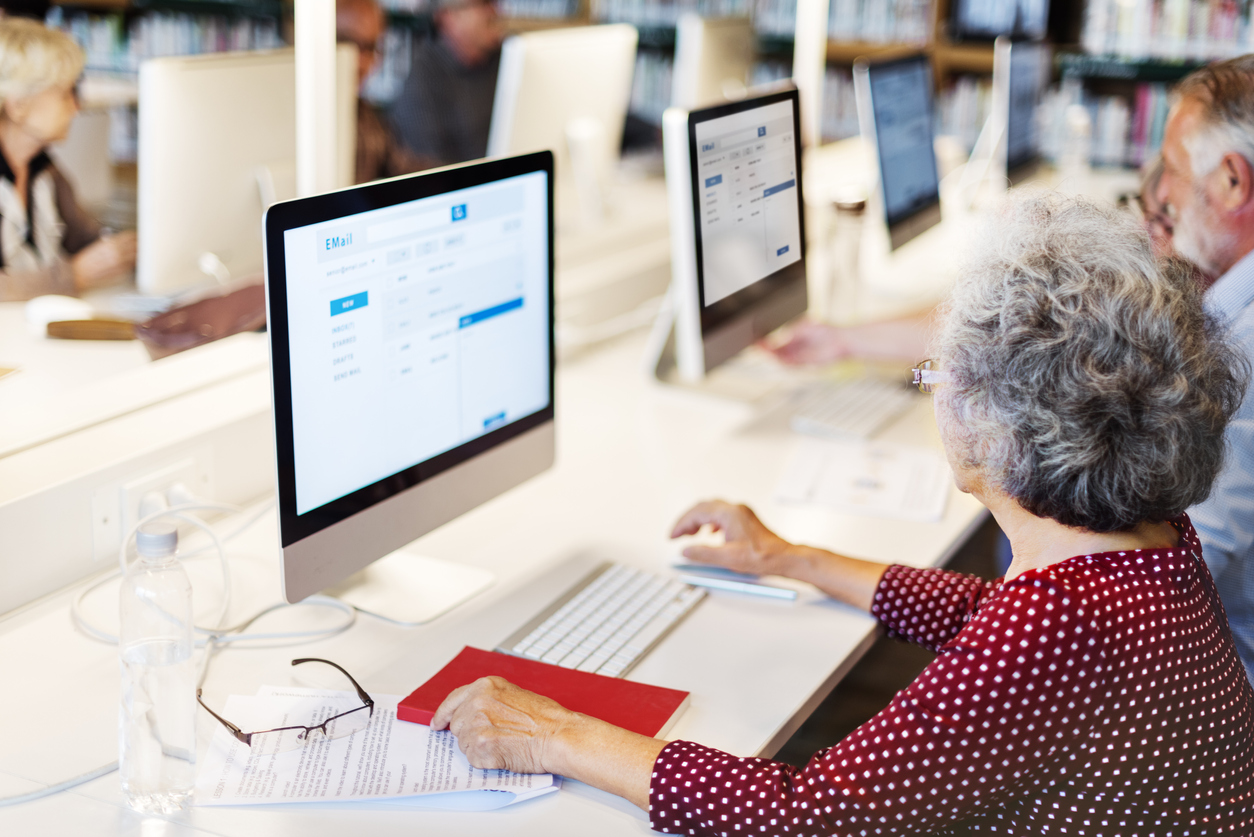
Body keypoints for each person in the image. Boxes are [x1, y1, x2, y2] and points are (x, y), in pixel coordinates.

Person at [432, 193, 1254, 834]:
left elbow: (804, 817)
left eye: (940, 374)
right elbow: (987, 613)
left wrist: (556, 734)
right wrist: (794, 559)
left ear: (1003, 420)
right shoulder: (1145, 539)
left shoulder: (1054, 625)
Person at [1153, 55, 1254, 685]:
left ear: (1233, 182)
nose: (1162, 194)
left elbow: (1177, 590)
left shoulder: (1244, 354)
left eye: (1171, 171)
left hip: (1222, 689)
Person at [0, 17, 135, 302]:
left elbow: (87, 238)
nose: (76, 107)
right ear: (18, 105)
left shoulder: (44, 170)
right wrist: (72, 276)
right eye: (65, 94)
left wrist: (123, 250)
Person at [388, 0, 501, 165]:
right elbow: (435, 175)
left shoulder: (502, 61)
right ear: (449, 17)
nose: (494, 11)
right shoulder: (422, 85)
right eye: (484, 4)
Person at [337, 0, 436, 184]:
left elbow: (404, 170)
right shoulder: (297, 123)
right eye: (347, 42)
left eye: (371, 47)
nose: (360, 61)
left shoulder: (368, 118)